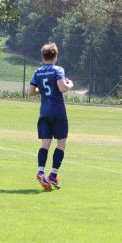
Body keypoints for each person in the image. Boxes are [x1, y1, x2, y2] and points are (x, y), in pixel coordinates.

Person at [27, 43, 74, 190]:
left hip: (44, 112)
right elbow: (62, 88)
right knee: (61, 143)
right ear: (55, 56)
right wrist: (70, 84)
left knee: (45, 144)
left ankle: (41, 171)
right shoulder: (58, 69)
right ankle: (53, 174)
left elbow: (30, 92)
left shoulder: (37, 71)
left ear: (43, 56)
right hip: (58, 111)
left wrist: (42, 90)